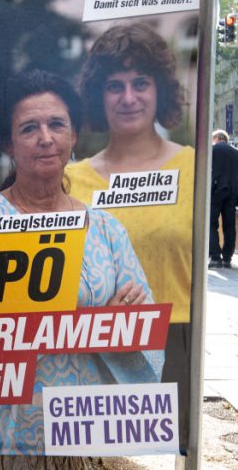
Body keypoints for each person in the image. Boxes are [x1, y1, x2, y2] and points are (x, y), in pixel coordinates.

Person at [0, 69, 162, 455]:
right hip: (3, 432)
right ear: (8, 144)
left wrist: (119, 328)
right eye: (29, 128)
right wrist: (101, 324)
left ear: (74, 137)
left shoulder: (105, 229)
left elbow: (144, 329)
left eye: (56, 124)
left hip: (85, 427)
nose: (45, 138)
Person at [68, 23, 194, 446]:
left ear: (159, 89)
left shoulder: (194, 169)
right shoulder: (72, 179)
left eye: (140, 83)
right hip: (93, 344)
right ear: (97, 96)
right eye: (113, 85)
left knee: (173, 447)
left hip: (176, 337)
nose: (128, 98)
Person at [209, 129, 238, 268]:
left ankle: (215, 257)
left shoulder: (213, 150)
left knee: (211, 223)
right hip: (232, 192)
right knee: (230, 224)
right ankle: (227, 257)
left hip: (216, 191)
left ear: (218, 138)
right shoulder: (236, 152)